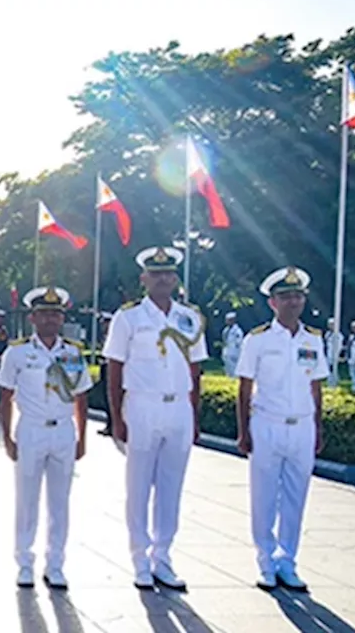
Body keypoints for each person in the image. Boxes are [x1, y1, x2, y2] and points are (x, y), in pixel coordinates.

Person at [102, 246, 208, 591]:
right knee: (138, 486)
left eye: (168, 273)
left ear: (175, 278)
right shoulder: (129, 317)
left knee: (170, 486)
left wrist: (195, 414)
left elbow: (196, 370)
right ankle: (139, 559)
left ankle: (162, 557)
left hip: (178, 406)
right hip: (142, 406)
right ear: (144, 278)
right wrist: (116, 416)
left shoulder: (189, 317)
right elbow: (114, 367)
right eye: (155, 273)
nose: (162, 279)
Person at [235, 266, 327, 592]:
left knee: (295, 497)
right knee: (263, 496)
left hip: (301, 426)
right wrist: (244, 431)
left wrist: (318, 426)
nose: (293, 302)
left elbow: (316, 387)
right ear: (272, 302)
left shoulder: (313, 340)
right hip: (267, 424)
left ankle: (287, 561)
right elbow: (245, 387)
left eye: (298, 296)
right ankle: (265, 561)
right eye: (285, 296)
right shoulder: (257, 339)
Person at [0, 286, 92, 589]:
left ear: (62, 317)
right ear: (33, 318)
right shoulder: (18, 352)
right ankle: (24, 562)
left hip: (63, 429)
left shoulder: (73, 352)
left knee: (60, 501)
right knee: (26, 500)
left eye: (56, 313)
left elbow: (81, 397)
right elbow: (5, 395)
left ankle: (56, 563)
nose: (51, 319)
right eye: (45, 314)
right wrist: (8, 437)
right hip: (32, 429)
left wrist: (82, 437)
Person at [97, 312, 115, 437]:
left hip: (113, 368)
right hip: (105, 366)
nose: (104, 325)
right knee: (106, 398)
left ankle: (113, 425)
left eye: (106, 322)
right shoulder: (104, 336)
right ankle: (109, 425)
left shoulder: (116, 335)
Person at [222, 312, 244, 378]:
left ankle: (235, 377)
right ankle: (229, 376)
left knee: (234, 365)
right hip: (227, 350)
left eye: (229, 320)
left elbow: (239, 341)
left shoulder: (237, 331)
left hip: (235, 351)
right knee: (228, 365)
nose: (227, 321)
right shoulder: (226, 330)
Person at [324, 318, 343, 388]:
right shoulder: (328, 334)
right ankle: (330, 383)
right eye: (329, 324)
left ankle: (334, 384)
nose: (330, 326)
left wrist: (336, 356)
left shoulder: (338, 335)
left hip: (333, 355)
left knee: (333, 370)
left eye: (332, 324)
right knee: (328, 370)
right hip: (327, 354)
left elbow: (339, 346)